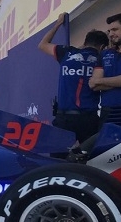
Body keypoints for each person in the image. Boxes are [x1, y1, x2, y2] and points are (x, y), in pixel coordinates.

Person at [37, 12, 109, 143]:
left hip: (64, 119)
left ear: (85, 42)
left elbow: (42, 44)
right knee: (90, 159)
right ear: (103, 47)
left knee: (59, 160)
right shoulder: (103, 59)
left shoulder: (67, 53)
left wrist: (58, 24)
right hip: (89, 119)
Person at [89, 13, 121, 124]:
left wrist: (101, 81)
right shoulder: (104, 54)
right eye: (109, 31)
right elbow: (93, 85)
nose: (111, 34)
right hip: (107, 112)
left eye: (115, 29)